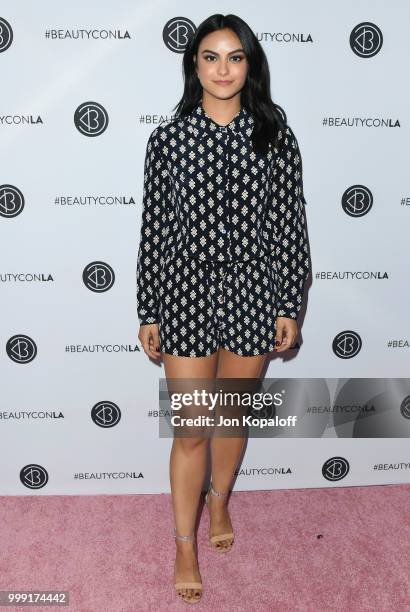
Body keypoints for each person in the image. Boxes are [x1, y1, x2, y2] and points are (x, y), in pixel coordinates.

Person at [136, 13, 310, 604]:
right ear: (193, 65)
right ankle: (183, 542)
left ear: (250, 65)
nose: (222, 69)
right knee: (191, 429)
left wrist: (289, 302)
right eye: (210, 56)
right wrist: (149, 308)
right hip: (184, 293)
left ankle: (219, 502)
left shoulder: (274, 136)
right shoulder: (168, 141)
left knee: (231, 419)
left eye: (235, 57)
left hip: (254, 293)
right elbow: (155, 232)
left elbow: (290, 227)